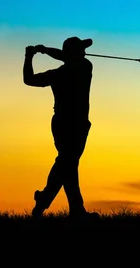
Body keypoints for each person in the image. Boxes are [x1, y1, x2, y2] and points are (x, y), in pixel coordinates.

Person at [23, 36, 100, 220]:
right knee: (68, 163)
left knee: (67, 165)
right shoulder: (77, 68)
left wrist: (35, 54)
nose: (85, 52)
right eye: (81, 49)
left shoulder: (80, 67)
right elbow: (29, 80)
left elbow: (29, 79)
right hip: (69, 123)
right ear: (74, 53)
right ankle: (74, 209)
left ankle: (47, 201)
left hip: (73, 123)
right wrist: (38, 53)